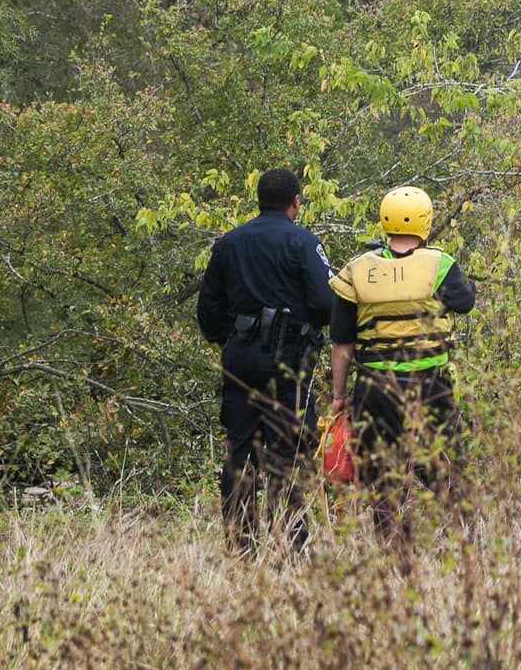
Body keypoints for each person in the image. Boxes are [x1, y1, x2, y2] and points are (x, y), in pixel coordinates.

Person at [197, 167, 333, 552]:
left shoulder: (230, 242)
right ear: (296, 201)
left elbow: (208, 309)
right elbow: (326, 301)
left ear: (259, 199)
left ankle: (241, 545)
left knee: (240, 450)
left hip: (240, 360)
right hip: (288, 362)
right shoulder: (303, 242)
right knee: (288, 452)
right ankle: (292, 546)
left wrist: (233, 338)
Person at [328, 185, 475, 528]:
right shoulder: (440, 264)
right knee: (448, 478)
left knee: (382, 484)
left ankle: (396, 560)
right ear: (425, 222)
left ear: (384, 222)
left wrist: (339, 396)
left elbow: (341, 343)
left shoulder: (356, 270)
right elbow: (465, 301)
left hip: (375, 391)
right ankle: (465, 550)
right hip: (429, 388)